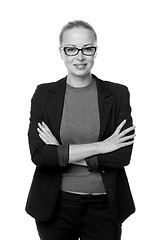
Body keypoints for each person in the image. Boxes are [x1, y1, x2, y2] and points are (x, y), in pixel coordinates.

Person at [25, 20, 136, 240]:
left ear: (95, 51)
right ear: (61, 52)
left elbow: (122, 155)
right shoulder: (45, 94)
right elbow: (40, 155)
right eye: (71, 49)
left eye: (87, 48)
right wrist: (101, 147)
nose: (80, 56)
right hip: (55, 206)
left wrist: (61, 152)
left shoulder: (117, 94)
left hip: (104, 206)